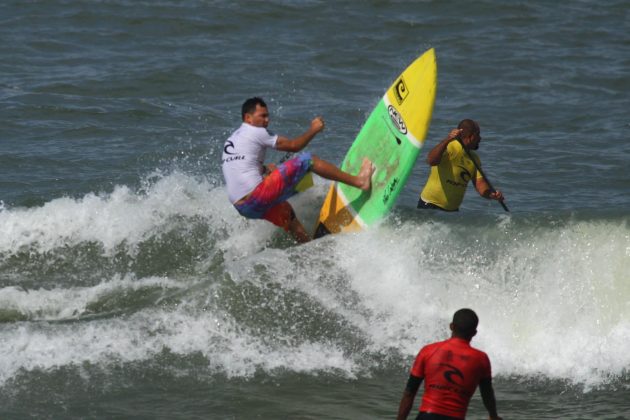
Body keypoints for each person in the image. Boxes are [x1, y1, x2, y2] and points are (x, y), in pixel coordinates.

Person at [221, 97, 374, 243]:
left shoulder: (232, 140)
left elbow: (241, 165)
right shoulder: (256, 131)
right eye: (263, 116)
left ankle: (310, 250)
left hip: (244, 208)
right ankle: (360, 182)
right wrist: (314, 129)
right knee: (309, 160)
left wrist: (265, 169)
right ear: (248, 118)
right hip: (258, 195)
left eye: (268, 116)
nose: (267, 120)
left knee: (288, 214)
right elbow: (295, 146)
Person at [397, 308, 502, 420]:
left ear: (451, 326)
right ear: (474, 333)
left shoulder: (428, 351)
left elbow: (409, 392)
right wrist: (493, 415)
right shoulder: (481, 359)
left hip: (426, 416)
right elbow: (487, 394)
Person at [418, 119, 504, 211]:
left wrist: (491, 195)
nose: (480, 139)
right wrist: (447, 139)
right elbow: (431, 160)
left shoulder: (474, 159)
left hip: (452, 211)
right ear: (471, 136)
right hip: (430, 204)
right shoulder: (450, 147)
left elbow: (480, 186)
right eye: (478, 135)